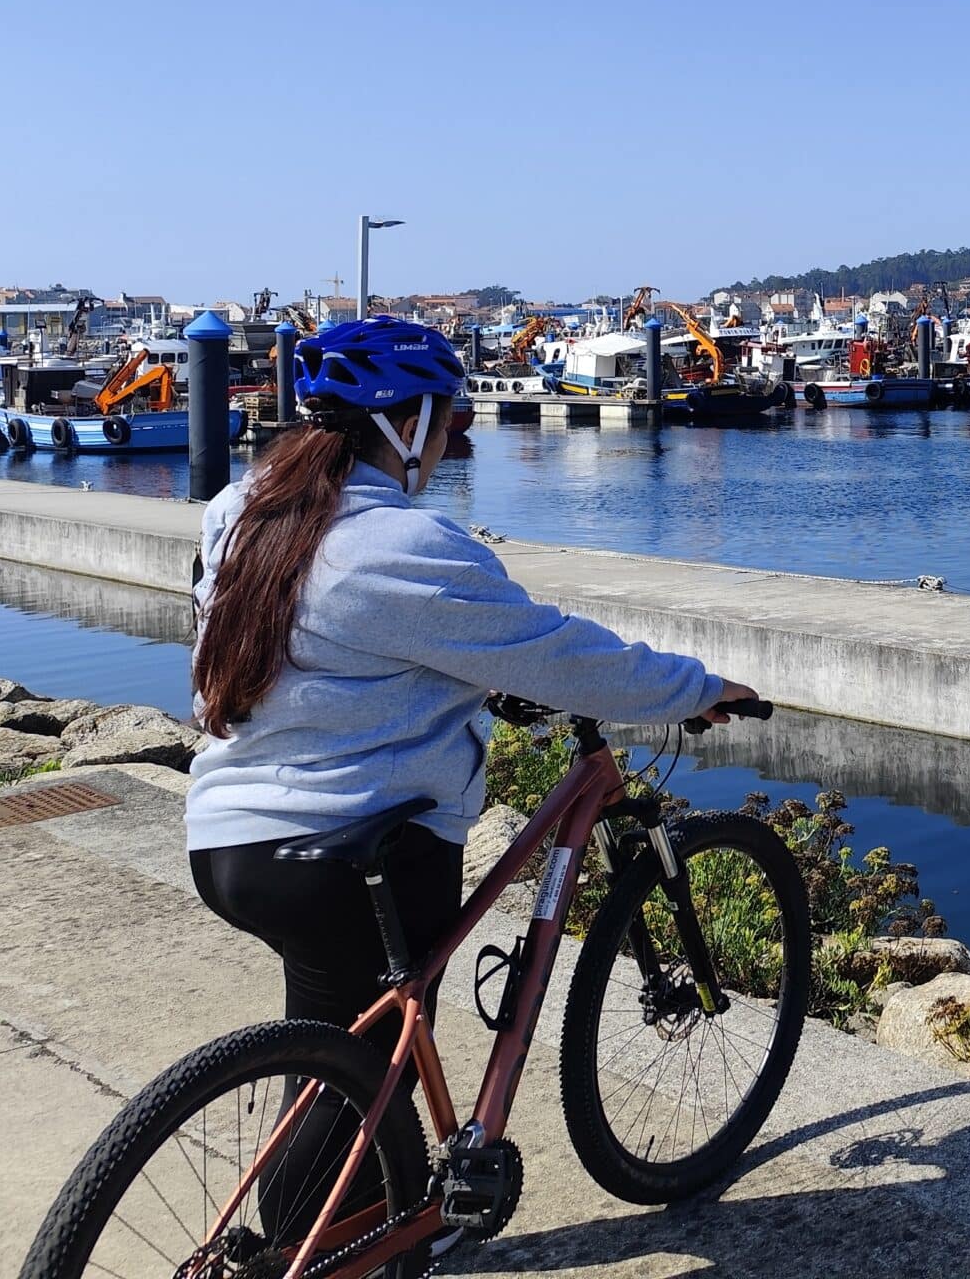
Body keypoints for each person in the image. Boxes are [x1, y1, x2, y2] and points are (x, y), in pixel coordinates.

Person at [186, 315, 751, 1219]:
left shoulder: (238, 511)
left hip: (228, 840)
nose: (459, 435)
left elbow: (323, 657)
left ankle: (331, 1227)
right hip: (352, 849)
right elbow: (562, 656)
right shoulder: (404, 545)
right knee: (364, 1093)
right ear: (404, 424)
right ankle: (307, 1249)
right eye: (448, 418)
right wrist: (694, 689)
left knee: (335, 1055)